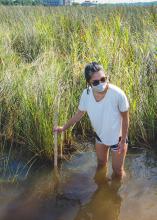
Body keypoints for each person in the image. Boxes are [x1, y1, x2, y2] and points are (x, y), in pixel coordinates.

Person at [53, 61, 130, 179]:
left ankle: (120, 194)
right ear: (88, 83)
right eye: (96, 82)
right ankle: (102, 190)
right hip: (100, 136)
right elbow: (79, 114)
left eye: (103, 79)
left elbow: (125, 118)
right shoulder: (86, 94)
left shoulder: (117, 94)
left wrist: (123, 140)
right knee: (101, 164)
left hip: (118, 139)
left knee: (118, 171)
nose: (101, 83)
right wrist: (63, 127)